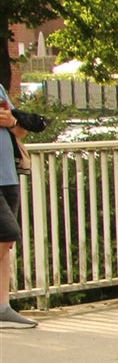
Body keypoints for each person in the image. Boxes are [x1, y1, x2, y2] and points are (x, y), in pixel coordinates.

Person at [0, 77, 44, 329]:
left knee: (4, 245)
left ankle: (2, 308)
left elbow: (21, 131)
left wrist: (12, 122)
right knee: (8, 233)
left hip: (8, 176)